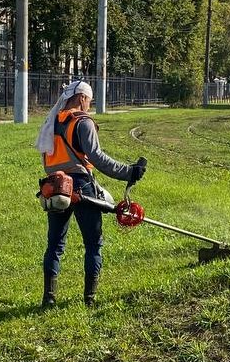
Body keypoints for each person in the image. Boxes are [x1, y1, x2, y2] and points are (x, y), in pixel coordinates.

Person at [34, 80, 147, 308]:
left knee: (55, 244)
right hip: (81, 187)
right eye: (90, 100)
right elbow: (97, 158)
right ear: (82, 98)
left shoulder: (52, 122)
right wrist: (129, 172)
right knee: (93, 244)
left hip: (56, 188)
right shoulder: (82, 122)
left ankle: (49, 297)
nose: (89, 105)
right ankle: (90, 299)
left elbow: (48, 160)